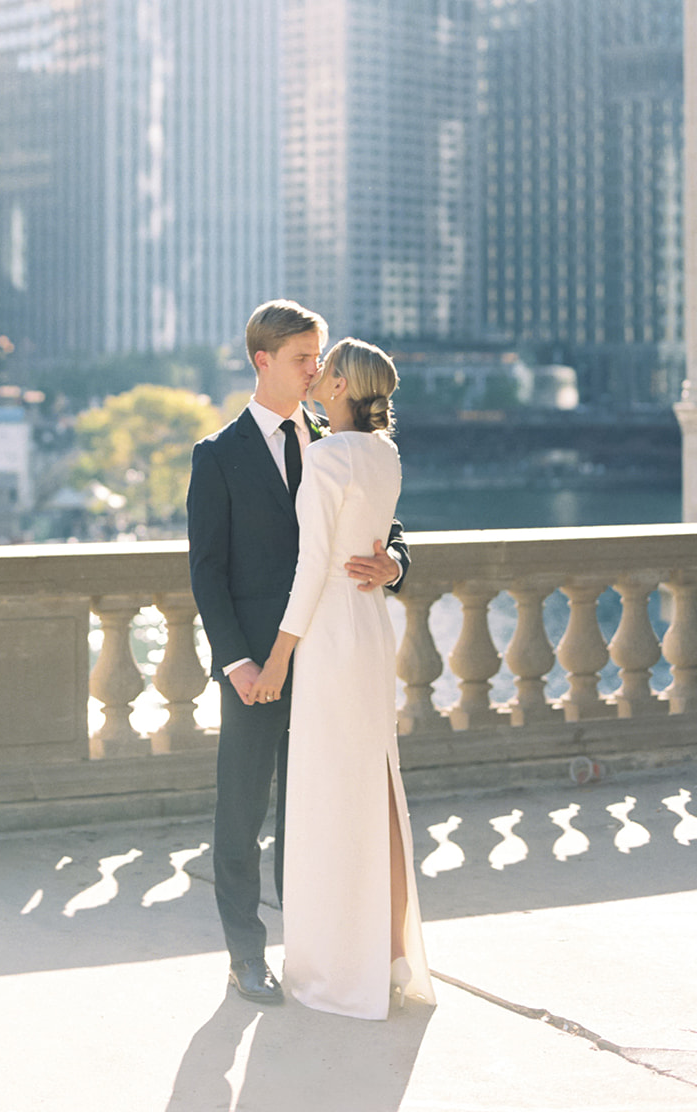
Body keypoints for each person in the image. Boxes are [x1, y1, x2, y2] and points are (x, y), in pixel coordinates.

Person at [187, 301, 409, 1006]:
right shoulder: (217, 455)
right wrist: (237, 662)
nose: (316, 368)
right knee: (242, 813)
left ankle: (311, 950)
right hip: (258, 663)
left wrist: (395, 565)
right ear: (263, 361)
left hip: (330, 660)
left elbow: (390, 528)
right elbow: (206, 572)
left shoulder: (336, 437)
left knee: (311, 814)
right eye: (301, 358)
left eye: (320, 358)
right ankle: (244, 957)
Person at [252, 338, 436, 1018]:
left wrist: (278, 656)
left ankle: (336, 964)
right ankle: (387, 952)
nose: (316, 373)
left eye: (326, 370)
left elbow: (312, 567)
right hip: (368, 626)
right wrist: (388, 565)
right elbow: (373, 540)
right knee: (374, 784)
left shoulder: (327, 455)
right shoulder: (383, 453)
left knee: (329, 793)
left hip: (330, 631)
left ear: (341, 388)